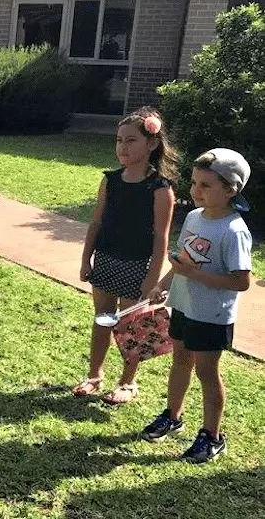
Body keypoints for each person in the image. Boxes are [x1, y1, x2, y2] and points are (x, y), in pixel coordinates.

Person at [141, 148, 252, 463]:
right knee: (180, 360)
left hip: (213, 315)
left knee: (206, 371)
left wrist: (197, 275)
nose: (195, 190)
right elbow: (181, 262)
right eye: (193, 183)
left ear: (231, 190)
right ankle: (173, 416)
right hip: (185, 306)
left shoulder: (234, 231)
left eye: (206, 185)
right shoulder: (192, 217)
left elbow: (241, 282)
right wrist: (162, 286)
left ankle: (212, 437)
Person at [73, 108, 177, 404]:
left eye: (131, 141)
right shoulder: (110, 180)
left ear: (152, 144)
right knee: (102, 319)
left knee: (132, 327)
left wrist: (152, 280)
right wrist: (86, 259)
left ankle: (128, 383)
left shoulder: (160, 189)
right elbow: (96, 222)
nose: (122, 147)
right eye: (119, 140)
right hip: (106, 259)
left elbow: (161, 238)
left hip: (137, 266)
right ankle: (94, 374)